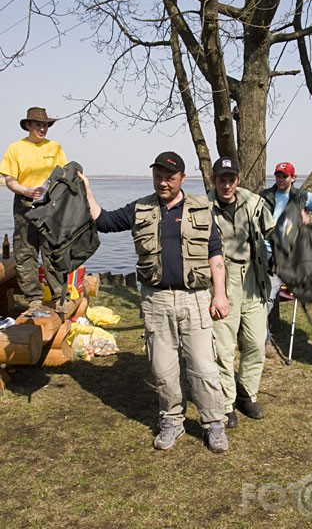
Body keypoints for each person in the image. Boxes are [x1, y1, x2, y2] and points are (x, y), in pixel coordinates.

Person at [79, 151, 230, 453]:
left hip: (196, 300)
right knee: (162, 369)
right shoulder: (140, 208)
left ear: (181, 179)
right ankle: (171, 420)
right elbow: (104, 221)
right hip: (156, 300)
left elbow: (215, 252)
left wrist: (220, 293)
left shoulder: (201, 208)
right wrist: (86, 188)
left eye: (169, 177)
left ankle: (214, 423)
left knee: (203, 367)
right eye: (158, 176)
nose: (163, 182)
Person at [207, 157, 275, 429]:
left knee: (256, 343)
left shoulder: (255, 204)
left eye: (231, 179)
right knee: (223, 349)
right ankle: (226, 404)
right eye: (222, 179)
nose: (227, 184)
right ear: (214, 180)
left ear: (238, 179)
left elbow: (275, 232)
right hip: (223, 283)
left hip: (254, 282)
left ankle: (247, 394)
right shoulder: (202, 208)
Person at [0, 107, 68, 311]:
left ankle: (58, 297)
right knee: (25, 252)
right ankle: (34, 298)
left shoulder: (55, 148)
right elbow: (9, 180)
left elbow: (63, 176)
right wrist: (25, 190)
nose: (42, 129)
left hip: (50, 206)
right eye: (38, 124)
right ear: (28, 125)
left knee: (54, 251)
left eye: (45, 125)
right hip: (25, 204)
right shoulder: (16, 148)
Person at [260, 161, 312, 352]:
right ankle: (264, 340)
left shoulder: (301, 196)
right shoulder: (264, 195)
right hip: (268, 250)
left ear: (293, 178)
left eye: (285, 176)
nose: (281, 179)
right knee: (267, 298)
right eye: (278, 175)